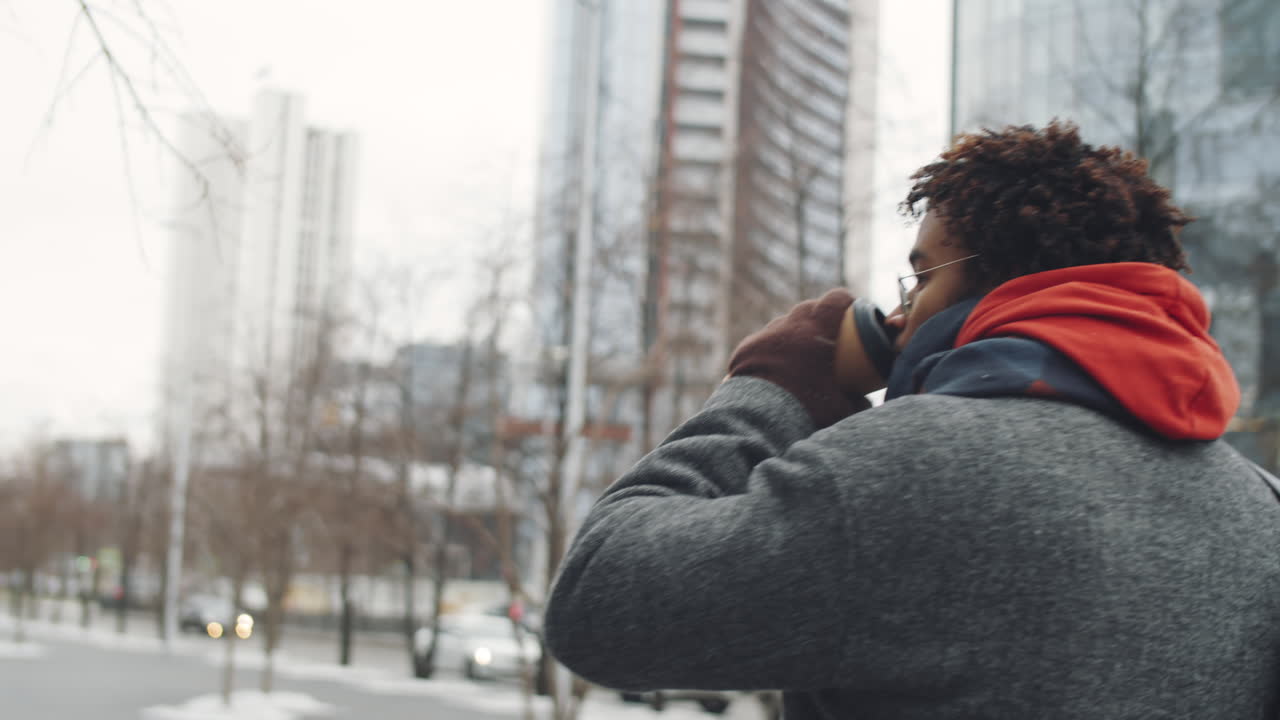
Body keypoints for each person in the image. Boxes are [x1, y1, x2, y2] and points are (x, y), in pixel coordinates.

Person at [541, 121, 1280, 718]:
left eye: (920, 277)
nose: (897, 316)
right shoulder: (1261, 507)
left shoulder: (917, 470)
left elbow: (601, 605)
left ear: (997, 288)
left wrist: (769, 388)